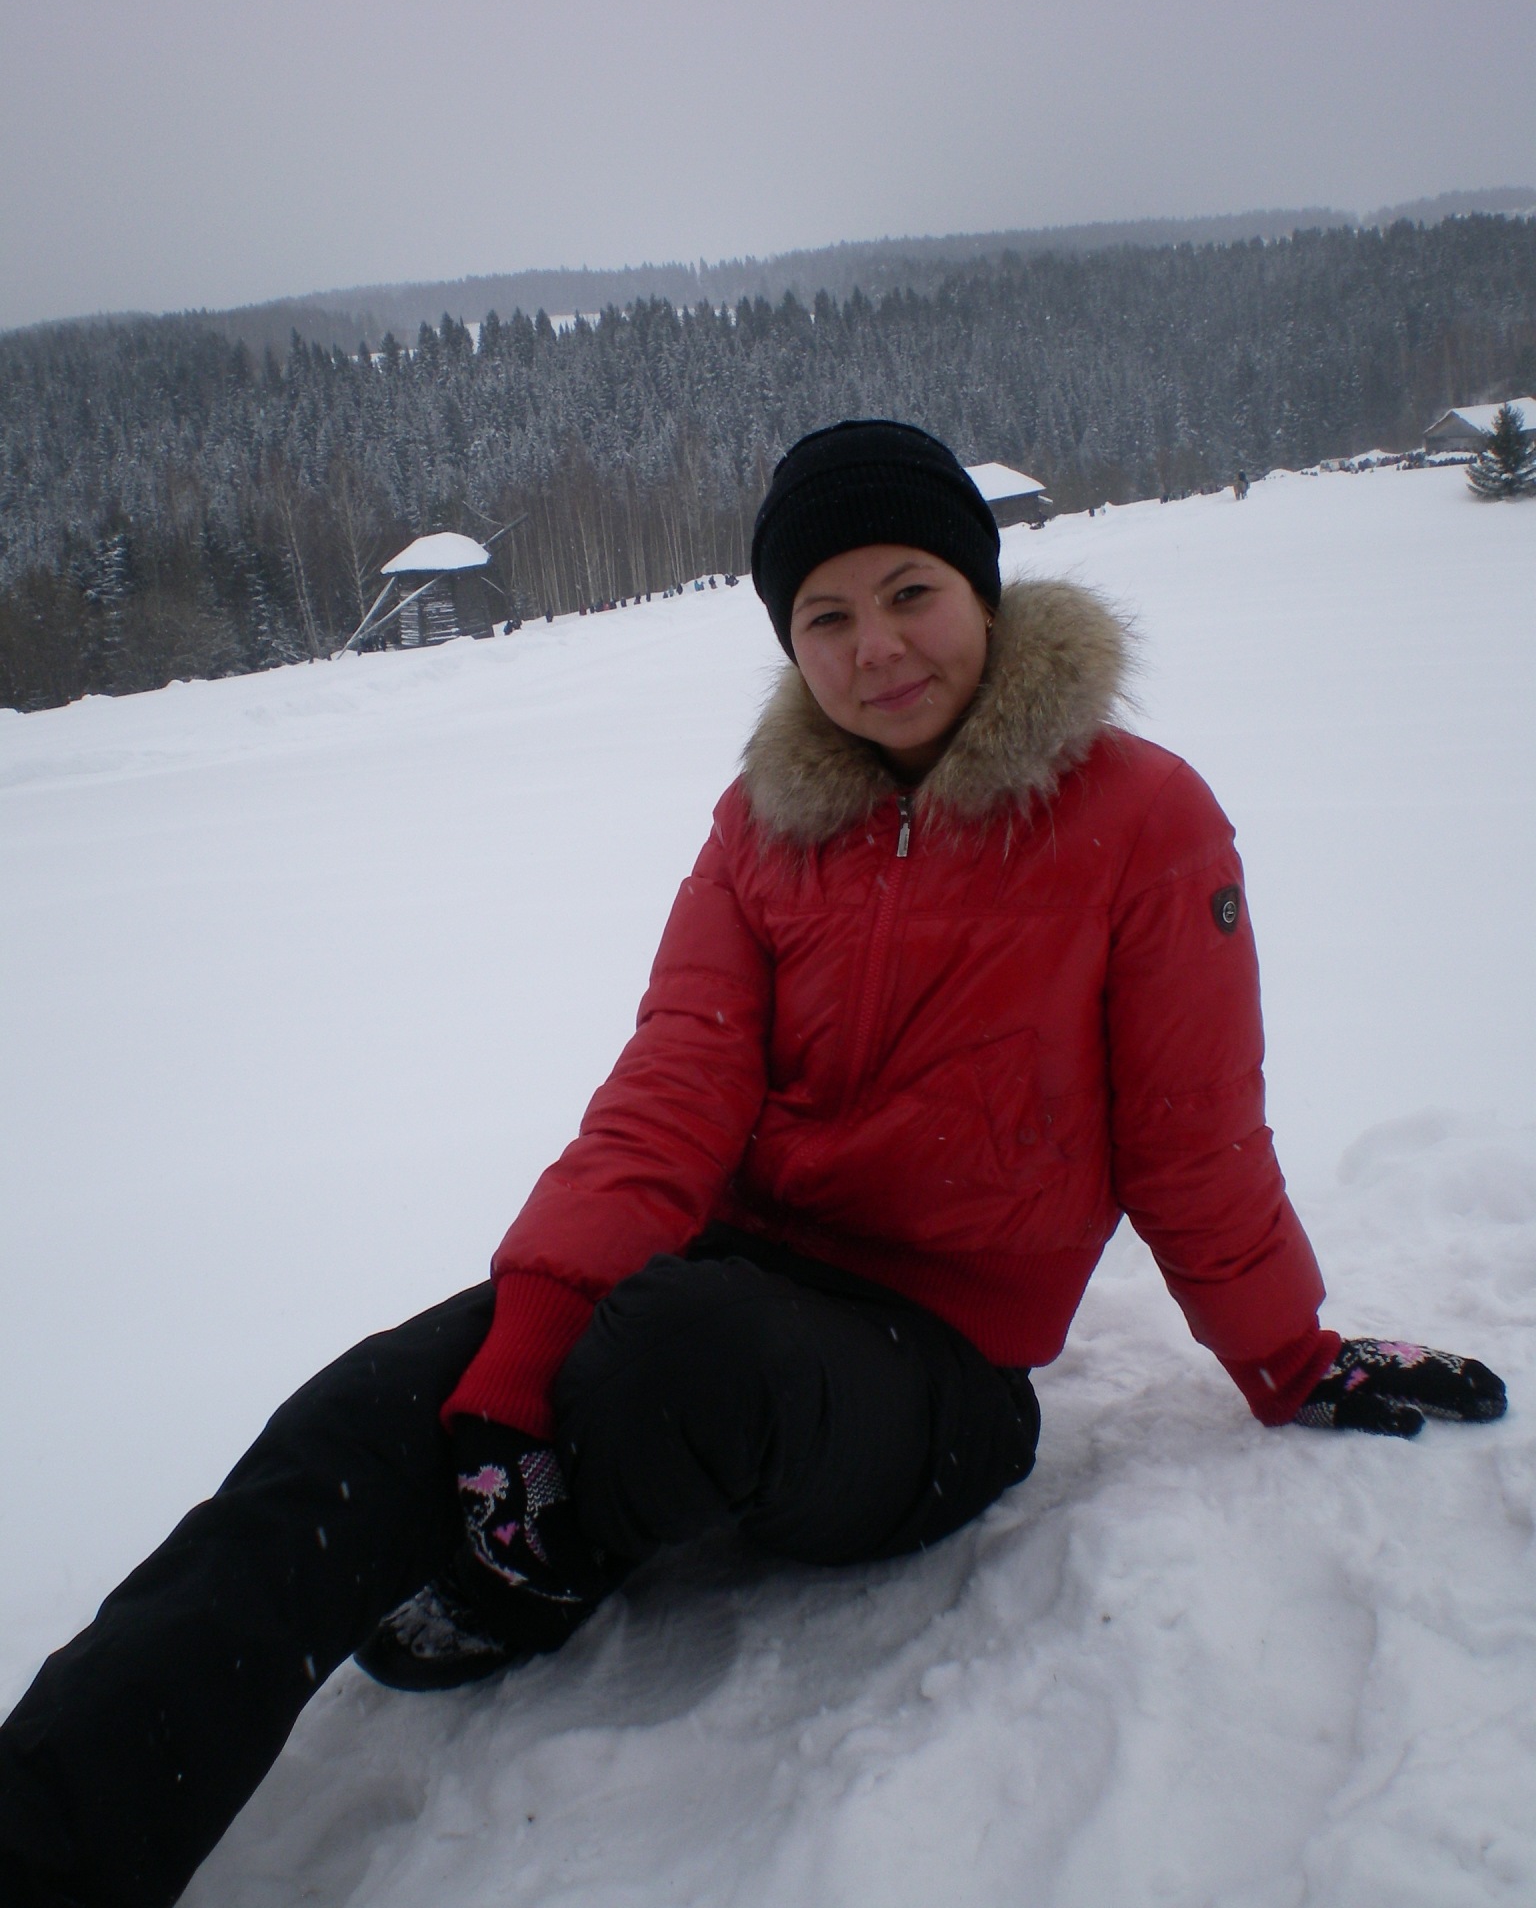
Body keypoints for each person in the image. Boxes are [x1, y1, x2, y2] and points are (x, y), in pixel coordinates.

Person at [0, 420, 1505, 1908]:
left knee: (675, 1357)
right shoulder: (764, 821)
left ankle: (546, 1549)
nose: (875, 648)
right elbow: (674, 1083)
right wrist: (520, 1347)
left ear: (983, 589)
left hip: (940, 1372)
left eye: (909, 592)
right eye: (824, 617)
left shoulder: (1142, 817)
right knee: (359, 1420)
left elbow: (1194, 1131)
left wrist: (1290, 1356)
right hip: (725, 1271)